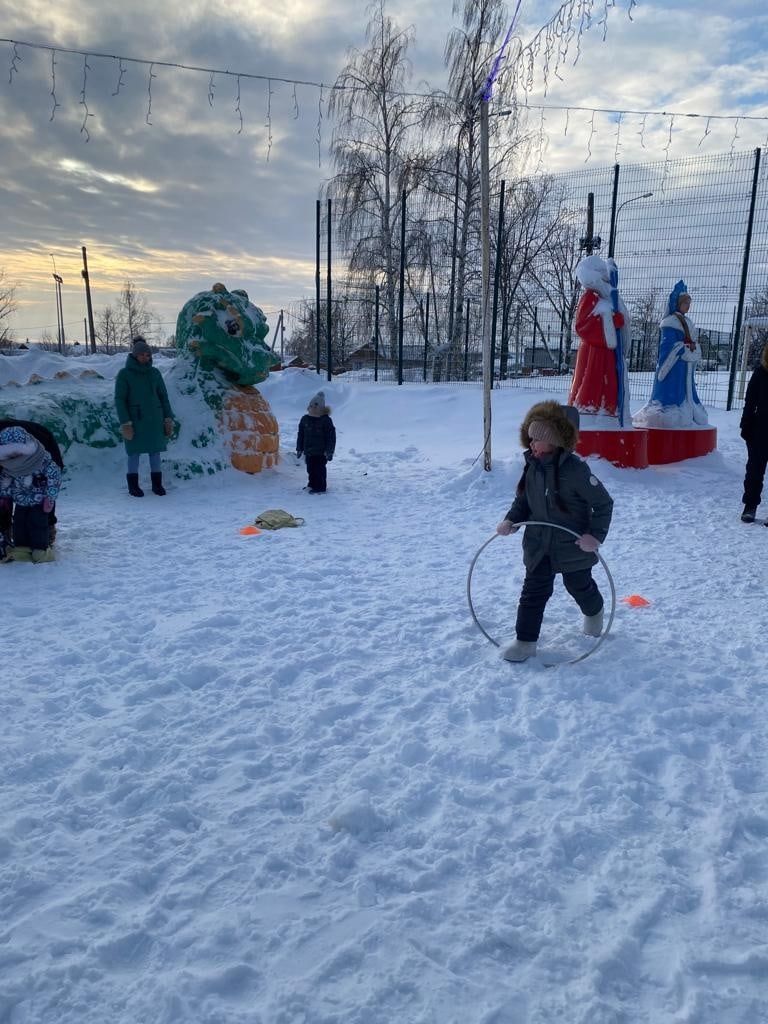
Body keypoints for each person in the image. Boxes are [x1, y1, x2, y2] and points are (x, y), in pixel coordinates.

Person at [495, 400, 614, 662]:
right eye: (531, 438)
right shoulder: (532, 467)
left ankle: (594, 612)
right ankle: (525, 642)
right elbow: (524, 501)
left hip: (573, 547)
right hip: (539, 546)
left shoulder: (576, 471)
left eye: (538, 439)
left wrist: (594, 536)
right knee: (533, 592)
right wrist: (511, 520)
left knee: (579, 586)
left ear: (555, 441)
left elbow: (603, 503)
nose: (532, 443)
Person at [634, 280, 707, 428]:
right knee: (672, 393)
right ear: (678, 303)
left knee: (686, 391)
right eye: (685, 303)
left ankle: (688, 410)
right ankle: (669, 409)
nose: (688, 306)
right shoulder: (670, 322)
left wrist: (693, 346)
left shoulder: (688, 322)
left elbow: (692, 341)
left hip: (685, 366)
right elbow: (668, 347)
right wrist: (684, 347)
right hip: (674, 367)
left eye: (689, 303)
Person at [569, 255, 629, 419]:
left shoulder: (604, 297)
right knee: (592, 380)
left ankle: (605, 409)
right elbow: (582, 326)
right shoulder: (590, 297)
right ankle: (589, 408)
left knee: (606, 380)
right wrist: (611, 320)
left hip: (604, 352)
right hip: (593, 351)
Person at [114, 336, 175, 497]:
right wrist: (125, 422)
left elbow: (163, 396)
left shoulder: (154, 373)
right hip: (135, 420)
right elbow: (120, 399)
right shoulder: (124, 374)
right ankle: (133, 486)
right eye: (141, 355)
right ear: (135, 355)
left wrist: (168, 418)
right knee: (134, 453)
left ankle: (157, 485)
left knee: (155, 452)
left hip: (155, 420)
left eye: (147, 355)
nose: (145, 357)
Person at [0, 424, 62, 563]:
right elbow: (7, 484)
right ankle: (22, 549)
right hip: (21, 500)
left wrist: (50, 497)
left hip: (39, 500)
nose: (14, 457)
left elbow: (54, 475)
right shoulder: (9, 467)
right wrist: (4, 492)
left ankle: (41, 550)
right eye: (9, 455)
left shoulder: (41, 460)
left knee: (38, 523)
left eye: (16, 452)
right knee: (19, 523)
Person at [739, 340, 768, 523]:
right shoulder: (760, 373)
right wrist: (746, 425)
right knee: (755, 469)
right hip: (761, 428)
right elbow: (750, 401)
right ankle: (750, 506)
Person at [296, 390, 336, 493]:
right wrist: (299, 448)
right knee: (310, 469)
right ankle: (311, 484)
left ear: (322, 409)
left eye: (316, 406)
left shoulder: (326, 421)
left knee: (319, 470)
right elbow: (301, 434)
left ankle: (320, 487)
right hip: (309, 451)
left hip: (321, 452)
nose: (313, 408)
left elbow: (331, 437)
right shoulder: (305, 419)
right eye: (311, 405)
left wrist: (329, 451)